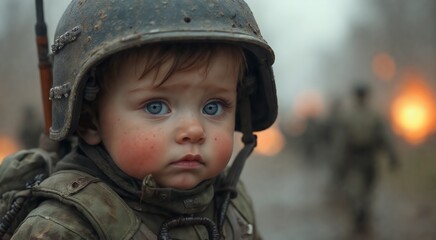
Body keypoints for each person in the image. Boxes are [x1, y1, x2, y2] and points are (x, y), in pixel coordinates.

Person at [10, 0, 277, 239]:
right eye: (157, 107)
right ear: (90, 122)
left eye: (213, 107)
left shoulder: (231, 202)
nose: (194, 130)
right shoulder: (64, 227)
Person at [333, 83, 398, 234]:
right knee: (356, 188)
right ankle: (358, 213)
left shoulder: (371, 115)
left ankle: (362, 213)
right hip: (355, 158)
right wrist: (339, 159)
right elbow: (341, 140)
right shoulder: (352, 116)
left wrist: (392, 155)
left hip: (368, 157)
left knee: (368, 188)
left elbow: (384, 136)